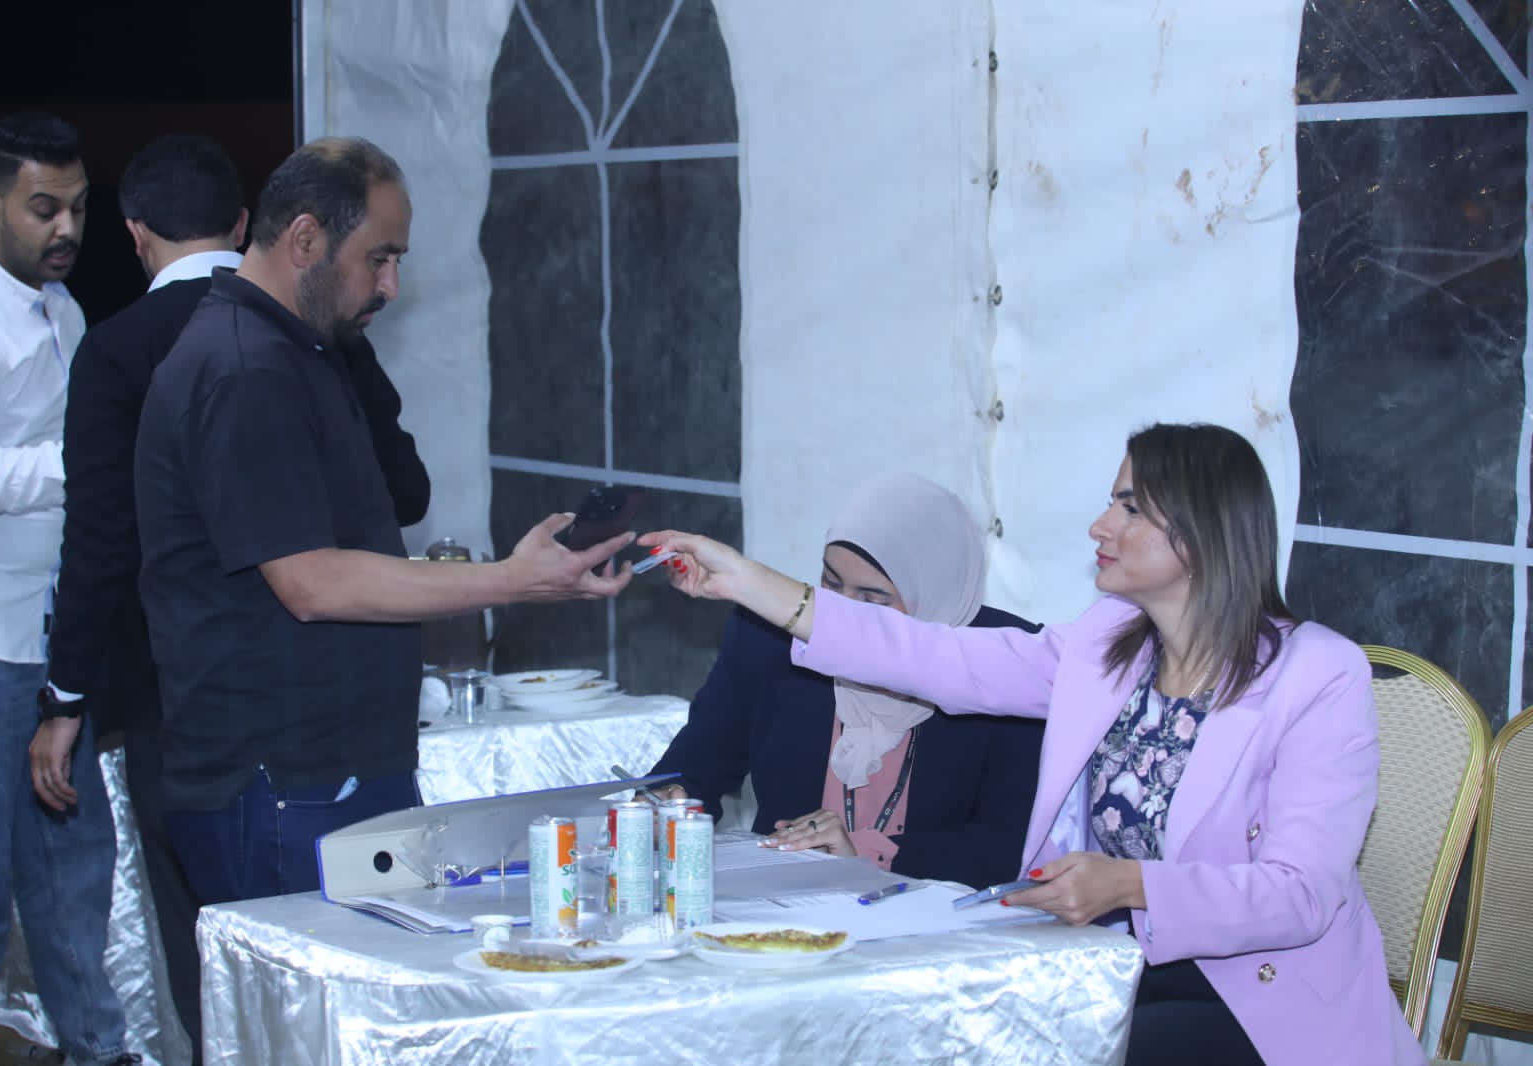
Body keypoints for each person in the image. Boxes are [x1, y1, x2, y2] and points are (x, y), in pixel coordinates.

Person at [641, 423, 1426, 1066]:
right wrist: (745, 580)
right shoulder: (1110, 644)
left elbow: (1300, 895)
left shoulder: (1318, 674)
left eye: (1128, 508)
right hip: (1103, 966)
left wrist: (1130, 884)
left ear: (1199, 534)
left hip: (1252, 1000)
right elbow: (931, 656)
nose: (1099, 526)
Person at [135, 136, 635, 908]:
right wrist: (511, 580)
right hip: (281, 778)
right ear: (305, 239)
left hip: (331, 765)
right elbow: (311, 581)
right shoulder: (244, 369)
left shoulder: (300, 350)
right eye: (379, 258)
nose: (392, 285)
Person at [25, 132, 429, 1063]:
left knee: (216, 959)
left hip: (177, 695)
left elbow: (98, 541)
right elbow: (403, 493)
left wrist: (68, 692)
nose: (386, 283)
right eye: (381, 259)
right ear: (250, 223)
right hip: (290, 711)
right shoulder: (308, 330)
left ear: (134, 234)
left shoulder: (123, 346)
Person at [0, 113, 141, 1066]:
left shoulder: (62, 310)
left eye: (80, 208)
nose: (67, 229)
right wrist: (77, 471)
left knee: (72, 875)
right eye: (44, 208)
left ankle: (98, 1050)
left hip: (50, 636)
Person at [647, 472, 1043, 888]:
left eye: (872, 600)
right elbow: (695, 768)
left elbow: (1007, 847)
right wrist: (666, 802)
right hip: (783, 902)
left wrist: (867, 853)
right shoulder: (771, 637)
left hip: (936, 914)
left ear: (934, 594)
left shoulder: (1004, 664)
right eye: (831, 584)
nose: (844, 613)